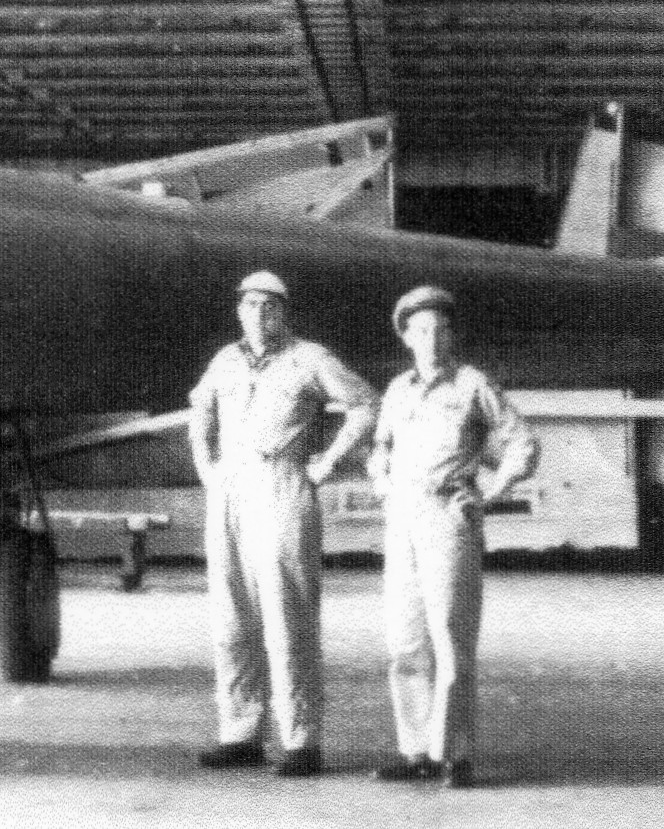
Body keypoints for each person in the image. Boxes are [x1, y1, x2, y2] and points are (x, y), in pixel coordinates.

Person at [188, 270, 377, 774]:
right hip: (230, 489)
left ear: (285, 312)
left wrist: (327, 463)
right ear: (238, 311)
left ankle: (301, 742)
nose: (259, 314)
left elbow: (364, 404)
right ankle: (240, 733)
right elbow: (200, 409)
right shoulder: (226, 361)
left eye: (270, 306)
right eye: (250, 305)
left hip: (281, 484)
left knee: (286, 617)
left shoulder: (309, 358)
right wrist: (207, 469)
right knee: (231, 618)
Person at [367, 286, 538, 790]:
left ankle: (455, 754)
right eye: (422, 331)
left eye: (442, 330)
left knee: (450, 635)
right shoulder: (397, 390)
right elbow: (380, 448)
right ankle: (417, 751)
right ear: (406, 337)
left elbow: (523, 443)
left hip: (448, 518)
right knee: (405, 639)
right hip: (403, 519)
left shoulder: (472, 384)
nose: (433, 340)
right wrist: (382, 482)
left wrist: (490, 492)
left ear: (453, 335)